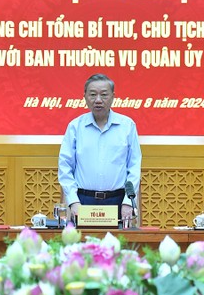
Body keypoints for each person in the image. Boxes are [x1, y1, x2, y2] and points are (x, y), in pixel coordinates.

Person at [58, 73, 142, 223]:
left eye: (104, 95)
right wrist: (73, 201)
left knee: (118, 246)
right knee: (82, 246)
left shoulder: (127, 126)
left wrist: (127, 202)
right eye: (92, 94)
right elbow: (65, 167)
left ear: (113, 96)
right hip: (83, 201)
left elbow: (134, 167)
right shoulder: (75, 127)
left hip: (118, 202)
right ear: (84, 97)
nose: (98, 100)